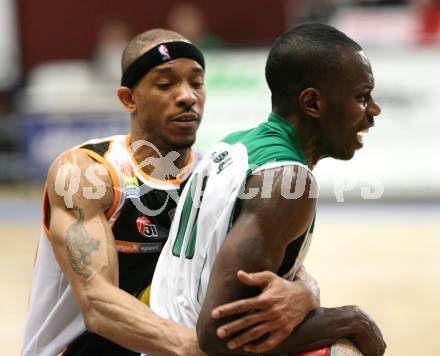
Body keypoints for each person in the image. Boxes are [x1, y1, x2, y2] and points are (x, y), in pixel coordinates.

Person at [23, 28, 318, 356]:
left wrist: (305, 294)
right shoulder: (86, 172)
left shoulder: (217, 174)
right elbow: (98, 304)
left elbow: (282, 267)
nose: (187, 96)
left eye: (196, 82)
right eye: (166, 84)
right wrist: (202, 349)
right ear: (128, 98)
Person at [150, 23, 387, 356]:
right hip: (190, 348)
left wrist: (305, 291)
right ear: (313, 103)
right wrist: (353, 320)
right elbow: (218, 335)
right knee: (344, 350)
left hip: (160, 343)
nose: (373, 111)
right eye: (362, 97)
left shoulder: (233, 145)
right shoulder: (288, 181)